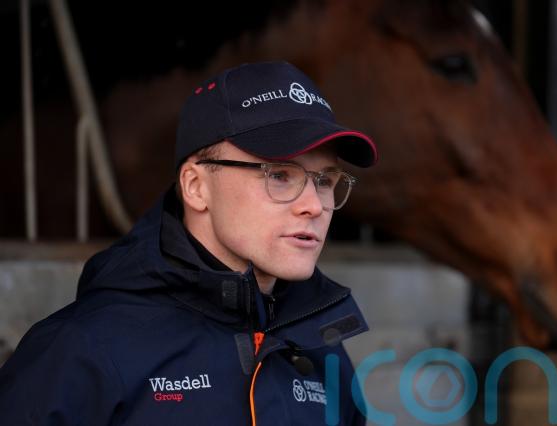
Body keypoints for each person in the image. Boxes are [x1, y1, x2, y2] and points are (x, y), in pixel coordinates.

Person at [0, 61, 378, 425]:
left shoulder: (322, 351)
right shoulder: (82, 349)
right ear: (196, 187)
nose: (314, 205)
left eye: (325, 181)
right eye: (280, 175)